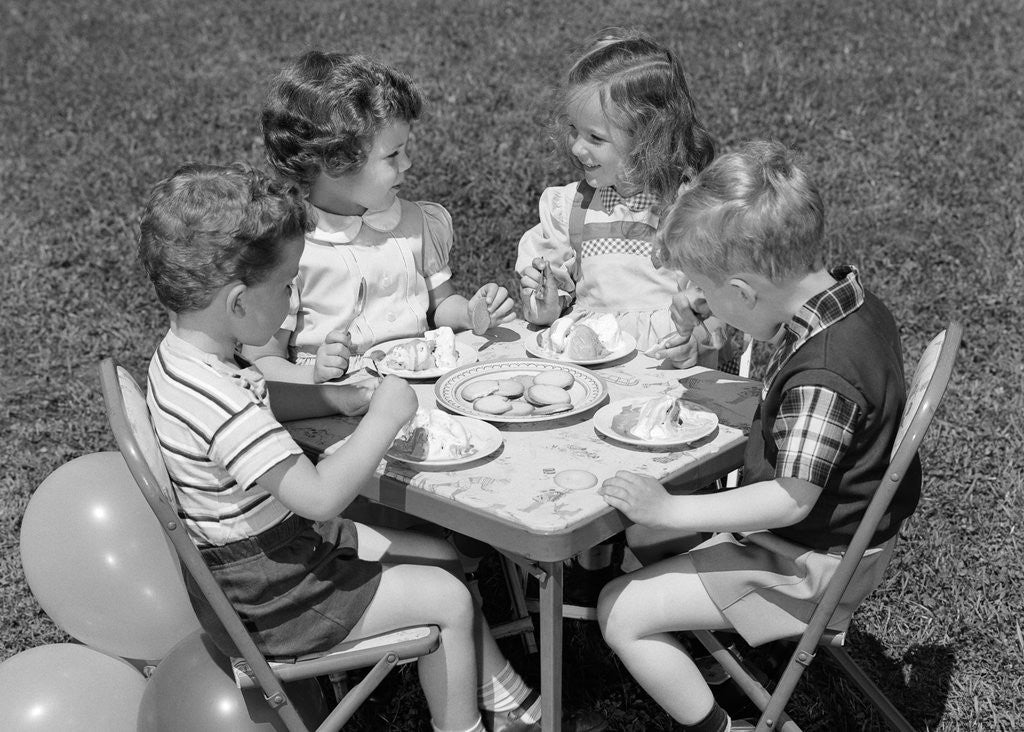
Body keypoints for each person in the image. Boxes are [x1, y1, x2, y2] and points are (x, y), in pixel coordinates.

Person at [137, 162, 588, 732]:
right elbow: (320, 497)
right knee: (448, 600)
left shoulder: (183, 362)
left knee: (438, 555)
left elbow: (265, 406)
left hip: (266, 563)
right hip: (279, 597)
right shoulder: (217, 400)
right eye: (284, 287)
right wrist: (382, 416)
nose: (289, 300)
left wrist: (340, 399)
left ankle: (503, 701)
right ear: (237, 303)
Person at [595, 140, 922, 732]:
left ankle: (721, 727)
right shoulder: (854, 305)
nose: (700, 300)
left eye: (707, 288)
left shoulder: (824, 375)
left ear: (744, 292)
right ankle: (715, 650)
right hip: (841, 540)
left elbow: (789, 500)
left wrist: (672, 508)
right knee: (645, 534)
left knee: (618, 609)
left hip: (809, 566)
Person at [245, 50, 516, 385]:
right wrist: (313, 375)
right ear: (335, 163)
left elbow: (439, 305)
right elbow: (263, 359)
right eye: (393, 155)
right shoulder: (292, 249)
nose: (408, 164)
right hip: (335, 404)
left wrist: (471, 312)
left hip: (419, 386)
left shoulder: (414, 223)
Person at [516, 28, 744, 370]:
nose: (578, 147)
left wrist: (694, 343)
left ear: (648, 139)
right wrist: (544, 299)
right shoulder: (572, 208)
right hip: (591, 367)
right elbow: (553, 305)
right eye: (575, 130)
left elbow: (715, 302)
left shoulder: (684, 209)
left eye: (595, 137)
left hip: (665, 370)